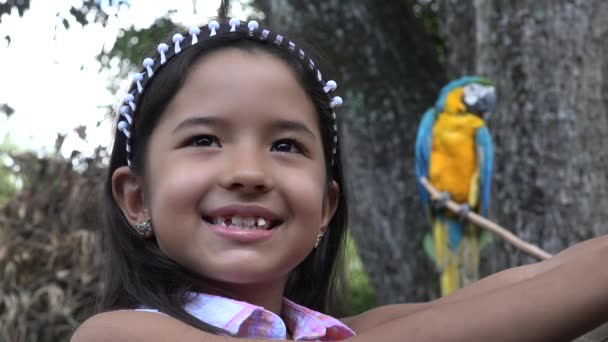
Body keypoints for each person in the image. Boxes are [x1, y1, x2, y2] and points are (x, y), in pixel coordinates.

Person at [72, 16, 608, 342]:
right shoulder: (117, 334)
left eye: (286, 146)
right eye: (204, 140)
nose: (249, 173)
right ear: (136, 199)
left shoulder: (341, 330)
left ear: (327, 207)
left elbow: (531, 283)